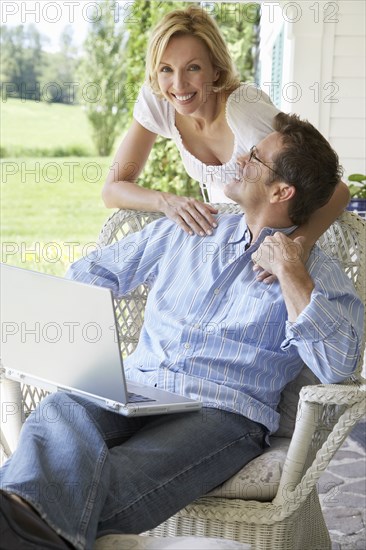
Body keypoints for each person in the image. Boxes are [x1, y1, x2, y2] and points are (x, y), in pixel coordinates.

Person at [0, 113, 363, 550]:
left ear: (282, 191)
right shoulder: (190, 228)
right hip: (135, 387)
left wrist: (290, 271)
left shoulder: (316, 275)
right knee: (61, 409)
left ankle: (18, 520)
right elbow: (90, 272)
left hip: (223, 412)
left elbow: (339, 364)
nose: (241, 160)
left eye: (256, 158)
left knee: (116, 476)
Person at [102, 4, 349, 257]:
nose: (178, 84)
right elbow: (112, 189)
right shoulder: (159, 100)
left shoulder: (245, 111)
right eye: (166, 69)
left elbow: (336, 189)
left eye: (193, 68)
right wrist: (167, 202)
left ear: (216, 70)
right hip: (225, 243)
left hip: (273, 248)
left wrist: (297, 247)